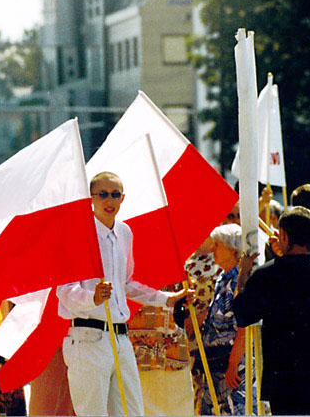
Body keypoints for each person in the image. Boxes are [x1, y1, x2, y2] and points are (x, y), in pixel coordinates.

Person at [56, 171, 186, 416]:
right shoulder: (77, 235)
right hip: (88, 337)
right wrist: (92, 297)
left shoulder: (125, 232)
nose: (110, 200)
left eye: (115, 195)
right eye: (103, 194)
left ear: (123, 198)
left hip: (120, 338)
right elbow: (64, 291)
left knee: (132, 412)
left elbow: (126, 283)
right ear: (90, 199)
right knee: (93, 413)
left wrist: (164, 299)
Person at [234, 207, 310, 414]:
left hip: (284, 381)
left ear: (283, 235)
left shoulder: (265, 275)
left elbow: (242, 314)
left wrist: (243, 271)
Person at [197, 223, 255, 415]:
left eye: (218, 245)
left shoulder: (241, 280)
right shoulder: (222, 277)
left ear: (232, 250)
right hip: (216, 366)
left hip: (234, 368)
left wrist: (233, 364)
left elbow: (244, 325)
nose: (212, 250)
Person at [127, 283, 195, 416]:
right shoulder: (127, 264)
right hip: (138, 349)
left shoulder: (177, 266)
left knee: (177, 408)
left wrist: (187, 297)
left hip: (172, 351)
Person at [182, 234, 221, 414]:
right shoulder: (184, 259)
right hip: (187, 337)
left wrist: (204, 315)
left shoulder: (220, 261)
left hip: (211, 333)